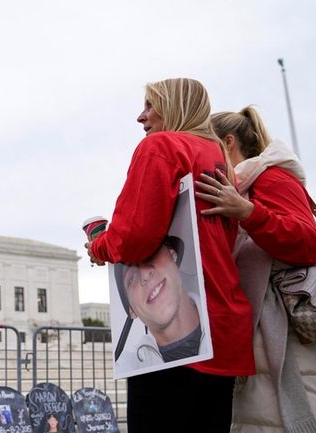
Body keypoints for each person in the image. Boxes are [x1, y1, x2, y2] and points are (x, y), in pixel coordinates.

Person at [86, 78, 254, 433]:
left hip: (176, 353)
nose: (140, 117)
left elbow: (134, 238)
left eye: (150, 106)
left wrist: (100, 246)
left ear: (174, 107)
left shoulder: (161, 147)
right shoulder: (217, 156)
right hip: (222, 326)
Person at [194, 106, 316, 432]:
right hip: (264, 337)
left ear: (227, 143)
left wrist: (248, 212)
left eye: (206, 143)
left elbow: (306, 243)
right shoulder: (241, 185)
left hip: (287, 334)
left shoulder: (271, 178)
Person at [113, 236, 203, 370]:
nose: (145, 274)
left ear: (173, 255)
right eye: (131, 277)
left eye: (151, 254)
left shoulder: (228, 317)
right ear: (131, 310)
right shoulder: (127, 367)